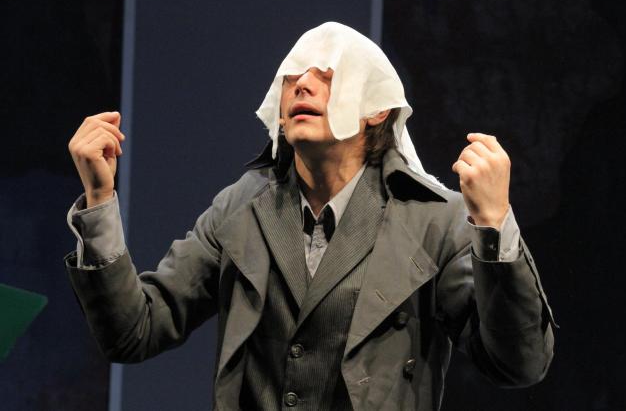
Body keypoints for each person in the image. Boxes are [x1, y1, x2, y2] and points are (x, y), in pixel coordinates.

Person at [66, 22, 555, 410]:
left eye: (327, 75)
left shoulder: (431, 220)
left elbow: (517, 364)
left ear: (376, 110)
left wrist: (494, 226)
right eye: (292, 76)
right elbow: (135, 331)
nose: (302, 84)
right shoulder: (242, 207)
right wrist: (99, 199)